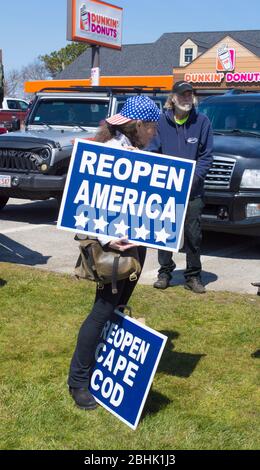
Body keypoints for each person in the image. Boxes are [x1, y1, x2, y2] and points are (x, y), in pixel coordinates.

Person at [68, 95, 160, 410]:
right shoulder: (109, 153)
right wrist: (109, 240)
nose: (155, 133)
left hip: (134, 245)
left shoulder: (137, 152)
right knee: (103, 310)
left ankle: (101, 370)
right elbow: (88, 201)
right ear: (140, 125)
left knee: (116, 307)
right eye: (153, 127)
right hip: (112, 250)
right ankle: (78, 381)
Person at [147, 81, 213, 293]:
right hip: (166, 191)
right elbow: (152, 151)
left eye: (189, 95)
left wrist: (191, 179)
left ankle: (193, 276)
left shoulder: (202, 122)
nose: (186, 98)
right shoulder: (160, 123)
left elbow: (206, 157)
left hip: (193, 192)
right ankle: (164, 272)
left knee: (193, 236)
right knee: (165, 234)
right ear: (172, 98)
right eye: (182, 95)